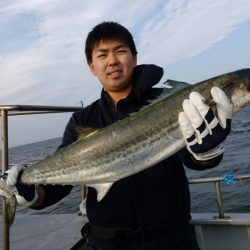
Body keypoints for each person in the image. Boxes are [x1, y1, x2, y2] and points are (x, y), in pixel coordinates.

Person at [0, 21, 233, 250]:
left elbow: (191, 156)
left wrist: (207, 153)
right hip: (106, 243)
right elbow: (59, 186)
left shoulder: (174, 102)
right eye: (102, 55)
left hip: (173, 239)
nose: (112, 61)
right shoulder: (82, 120)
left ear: (134, 57)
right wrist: (31, 193)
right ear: (92, 66)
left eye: (120, 51)